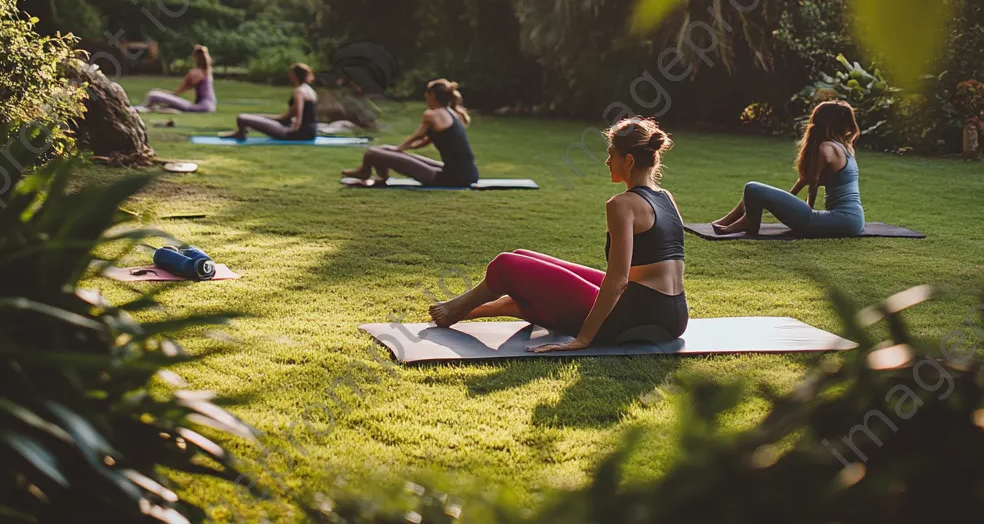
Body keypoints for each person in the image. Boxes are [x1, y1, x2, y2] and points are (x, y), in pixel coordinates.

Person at [427, 117, 689, 350]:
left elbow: (618, 281)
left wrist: (584, 339)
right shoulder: (666, 197)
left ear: (629, 160)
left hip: (634, 318)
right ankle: (491, 306)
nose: (608, 161)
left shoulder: (622, 205)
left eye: (612, 155)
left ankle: (457, 309)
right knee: (523, 256)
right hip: (672, 316)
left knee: (506, 264)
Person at [711, 99, 865, 237]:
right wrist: (786, 199)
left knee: (752, 188)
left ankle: (749, 222)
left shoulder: (826, 148)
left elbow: (814, 183)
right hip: (853, 219)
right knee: (757, 192)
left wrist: (808, 210)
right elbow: (807, 179)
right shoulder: (845, 148)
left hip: (841, 219)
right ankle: (734, 219)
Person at [340, 78, 478, 187]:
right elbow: (425, 141)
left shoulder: (432, 114)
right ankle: (376, 176)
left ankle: (366, 172)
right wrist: (400, 150)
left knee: (373, 152)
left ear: (432, 95)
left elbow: (417, 136)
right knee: (384, 149)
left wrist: (399, 149)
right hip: (468, 173)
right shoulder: (452, 113)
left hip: (450, 178)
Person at [224, 63, 318, 141]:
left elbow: (299, 112)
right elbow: (287, 117)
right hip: (310, 132)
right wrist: (261, 117)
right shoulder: (310, 91)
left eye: (291, 73)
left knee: (242, 117)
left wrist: (296, 129)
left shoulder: (299, 91)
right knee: (252, 117)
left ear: (295, 75)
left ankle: (241, 134)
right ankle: (240, 133)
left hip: (298, 133)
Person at [144, 45, 216, 113]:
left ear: (196, 57)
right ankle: (156, 108)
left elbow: (177, 93)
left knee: (153, 94)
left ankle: (144, 107)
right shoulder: (208, 72)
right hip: (210, 106)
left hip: (200, 107)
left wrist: (160, 92)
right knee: (169, 105)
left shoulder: (194, 73)